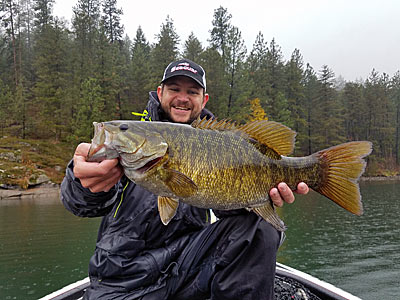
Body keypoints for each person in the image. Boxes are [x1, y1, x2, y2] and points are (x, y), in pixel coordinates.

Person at [61, 59, 309, 300]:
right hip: (122, 284)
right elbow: (82, 203)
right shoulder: (125, 151)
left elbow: (230, 219)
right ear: (160, 92)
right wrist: (80, 181)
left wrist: (256, 201)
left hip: (188, 273)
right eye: (174, 89)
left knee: (259, 227)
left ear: (204, 99)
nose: (182, 97)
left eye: (192, 91)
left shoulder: (221, 142)